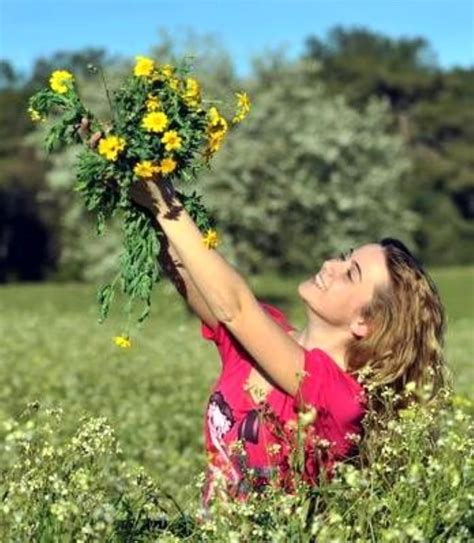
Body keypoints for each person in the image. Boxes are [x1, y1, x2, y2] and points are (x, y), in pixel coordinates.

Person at [129, 176, 450, 507]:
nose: (330, 265)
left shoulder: (339, 398)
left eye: (350, 273)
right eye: (344, 256)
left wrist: (166, 205)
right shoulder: (265, 335)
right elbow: (188, 273)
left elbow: (235, 308)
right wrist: (136, 178)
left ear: (364, 322)